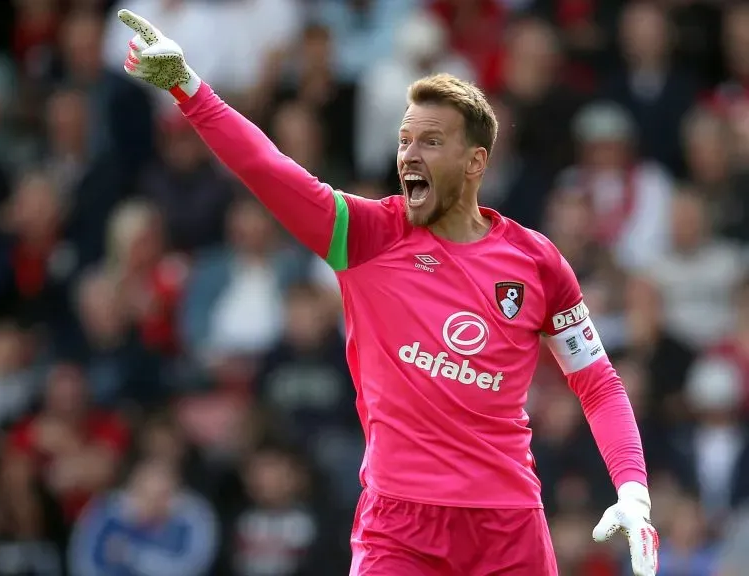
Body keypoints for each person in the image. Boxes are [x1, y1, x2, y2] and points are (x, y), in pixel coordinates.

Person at [115, 9, 659, 576]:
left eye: (430, 140)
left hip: (507, 527)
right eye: (404, 140)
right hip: (399, 530)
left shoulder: (537, 262)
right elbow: (267, 168)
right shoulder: (367, 236)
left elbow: (597, 383)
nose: (409, 155)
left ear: (475, 162)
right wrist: (188, 88)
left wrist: (633, 491)